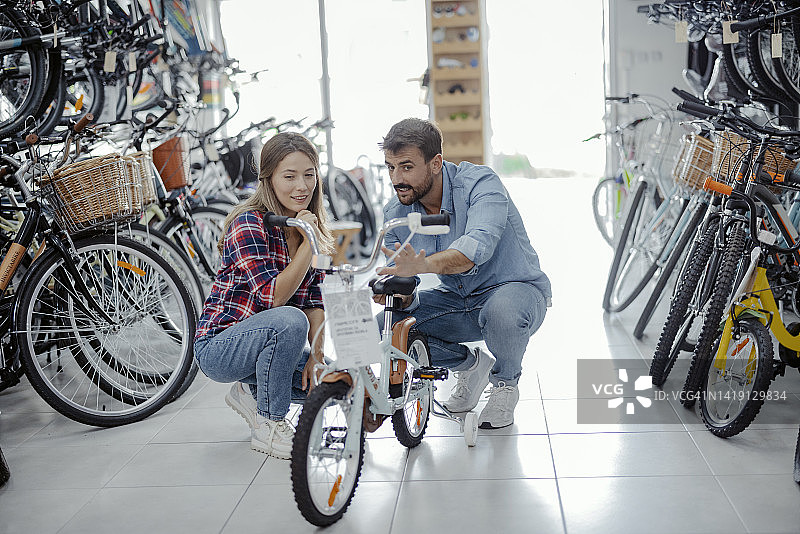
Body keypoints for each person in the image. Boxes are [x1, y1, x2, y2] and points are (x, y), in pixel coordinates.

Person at [376, 118, 551, 429]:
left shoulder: (480, 184)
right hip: (458, 300)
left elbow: (474, 249)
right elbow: (406, 282)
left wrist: (424, 265)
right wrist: (396, 291)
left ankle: (505, 385)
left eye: (406, 167)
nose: (396, 178)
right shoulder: (396, 213)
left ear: (435, 163)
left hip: (514, 292)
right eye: (390, 167)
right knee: (387, 326)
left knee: (503, 312)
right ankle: (470, 365)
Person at [193, 132, 334, 458]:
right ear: (268, 179)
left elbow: (314, 301)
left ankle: (250, 391)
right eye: (290, 176)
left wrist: (317, 356)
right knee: (288, 320)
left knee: (337, 383)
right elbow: (274, 299)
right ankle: (269, 424)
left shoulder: (308, 225)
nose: (302, 185)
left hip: (271, 349)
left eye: (309, 174)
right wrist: (307, 242)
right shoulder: (249, 222)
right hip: (221, 348)